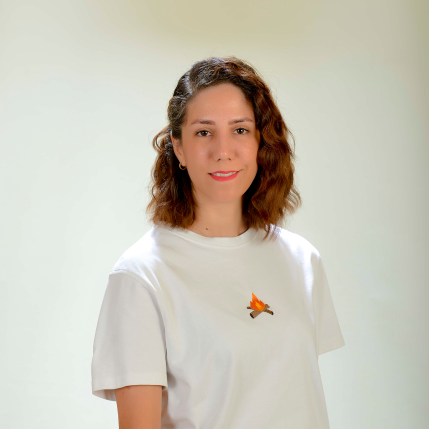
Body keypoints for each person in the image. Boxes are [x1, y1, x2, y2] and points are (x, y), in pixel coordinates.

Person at [91, 56, 346, 429]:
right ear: (178, 146)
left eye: (240, 130)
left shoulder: (302, 259)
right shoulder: (141, 276)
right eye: (203, 132)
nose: (223, 151)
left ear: (261, 141)